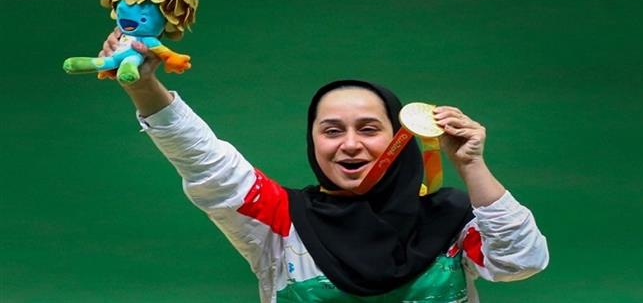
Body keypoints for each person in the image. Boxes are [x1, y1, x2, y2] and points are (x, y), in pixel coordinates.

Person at [100, 29, 549, 303]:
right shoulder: (279, 220)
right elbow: (207, 163)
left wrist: (470, 164)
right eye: (331, 130)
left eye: (369, 129)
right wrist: (144, 88)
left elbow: (520, 262)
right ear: (313, 141)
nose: (350, 144)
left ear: (400, 136)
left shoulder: (451, 222)